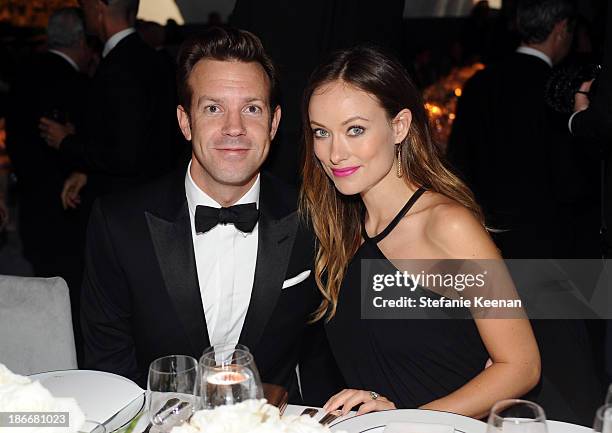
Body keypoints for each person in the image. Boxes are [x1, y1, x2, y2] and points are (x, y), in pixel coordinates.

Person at [80, 27, 340, 405]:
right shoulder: (119, 223)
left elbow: (327, 348)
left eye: (251, 108)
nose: (234, 128)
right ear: (185, 122)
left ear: (274, 122)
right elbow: (108, 364)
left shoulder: (314, 219)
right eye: (213, 108)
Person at [300, 44, 541, 418]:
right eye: (321, 132)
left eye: (355, 130)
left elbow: (521, 365)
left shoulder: (447, 226)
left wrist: (411, 421)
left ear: (399, 127)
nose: (335, 153)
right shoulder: (340, 228)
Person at [448, 0, 604, 423]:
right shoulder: (560, 89)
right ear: (561, 28)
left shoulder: (480, 83)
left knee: (502, 371)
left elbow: (456, 167)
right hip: (554, 258)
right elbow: (574, 185)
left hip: (486, 252)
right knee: (570, 383)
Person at [5, 7, 92, 360]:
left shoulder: (21, 78)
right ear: (81, 41)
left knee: (45, 304)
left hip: (32, 213)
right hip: (72, 217)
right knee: (76, 308)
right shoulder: (79, 87)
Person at [39, 0, 181, 202]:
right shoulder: (149, 57)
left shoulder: (120, 66)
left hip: (129, 202)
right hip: (152, 193)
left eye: (83, 5)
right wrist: (85, 172)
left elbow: (125, 154)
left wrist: (66, 142)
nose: (82, 11)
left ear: (98, 7)